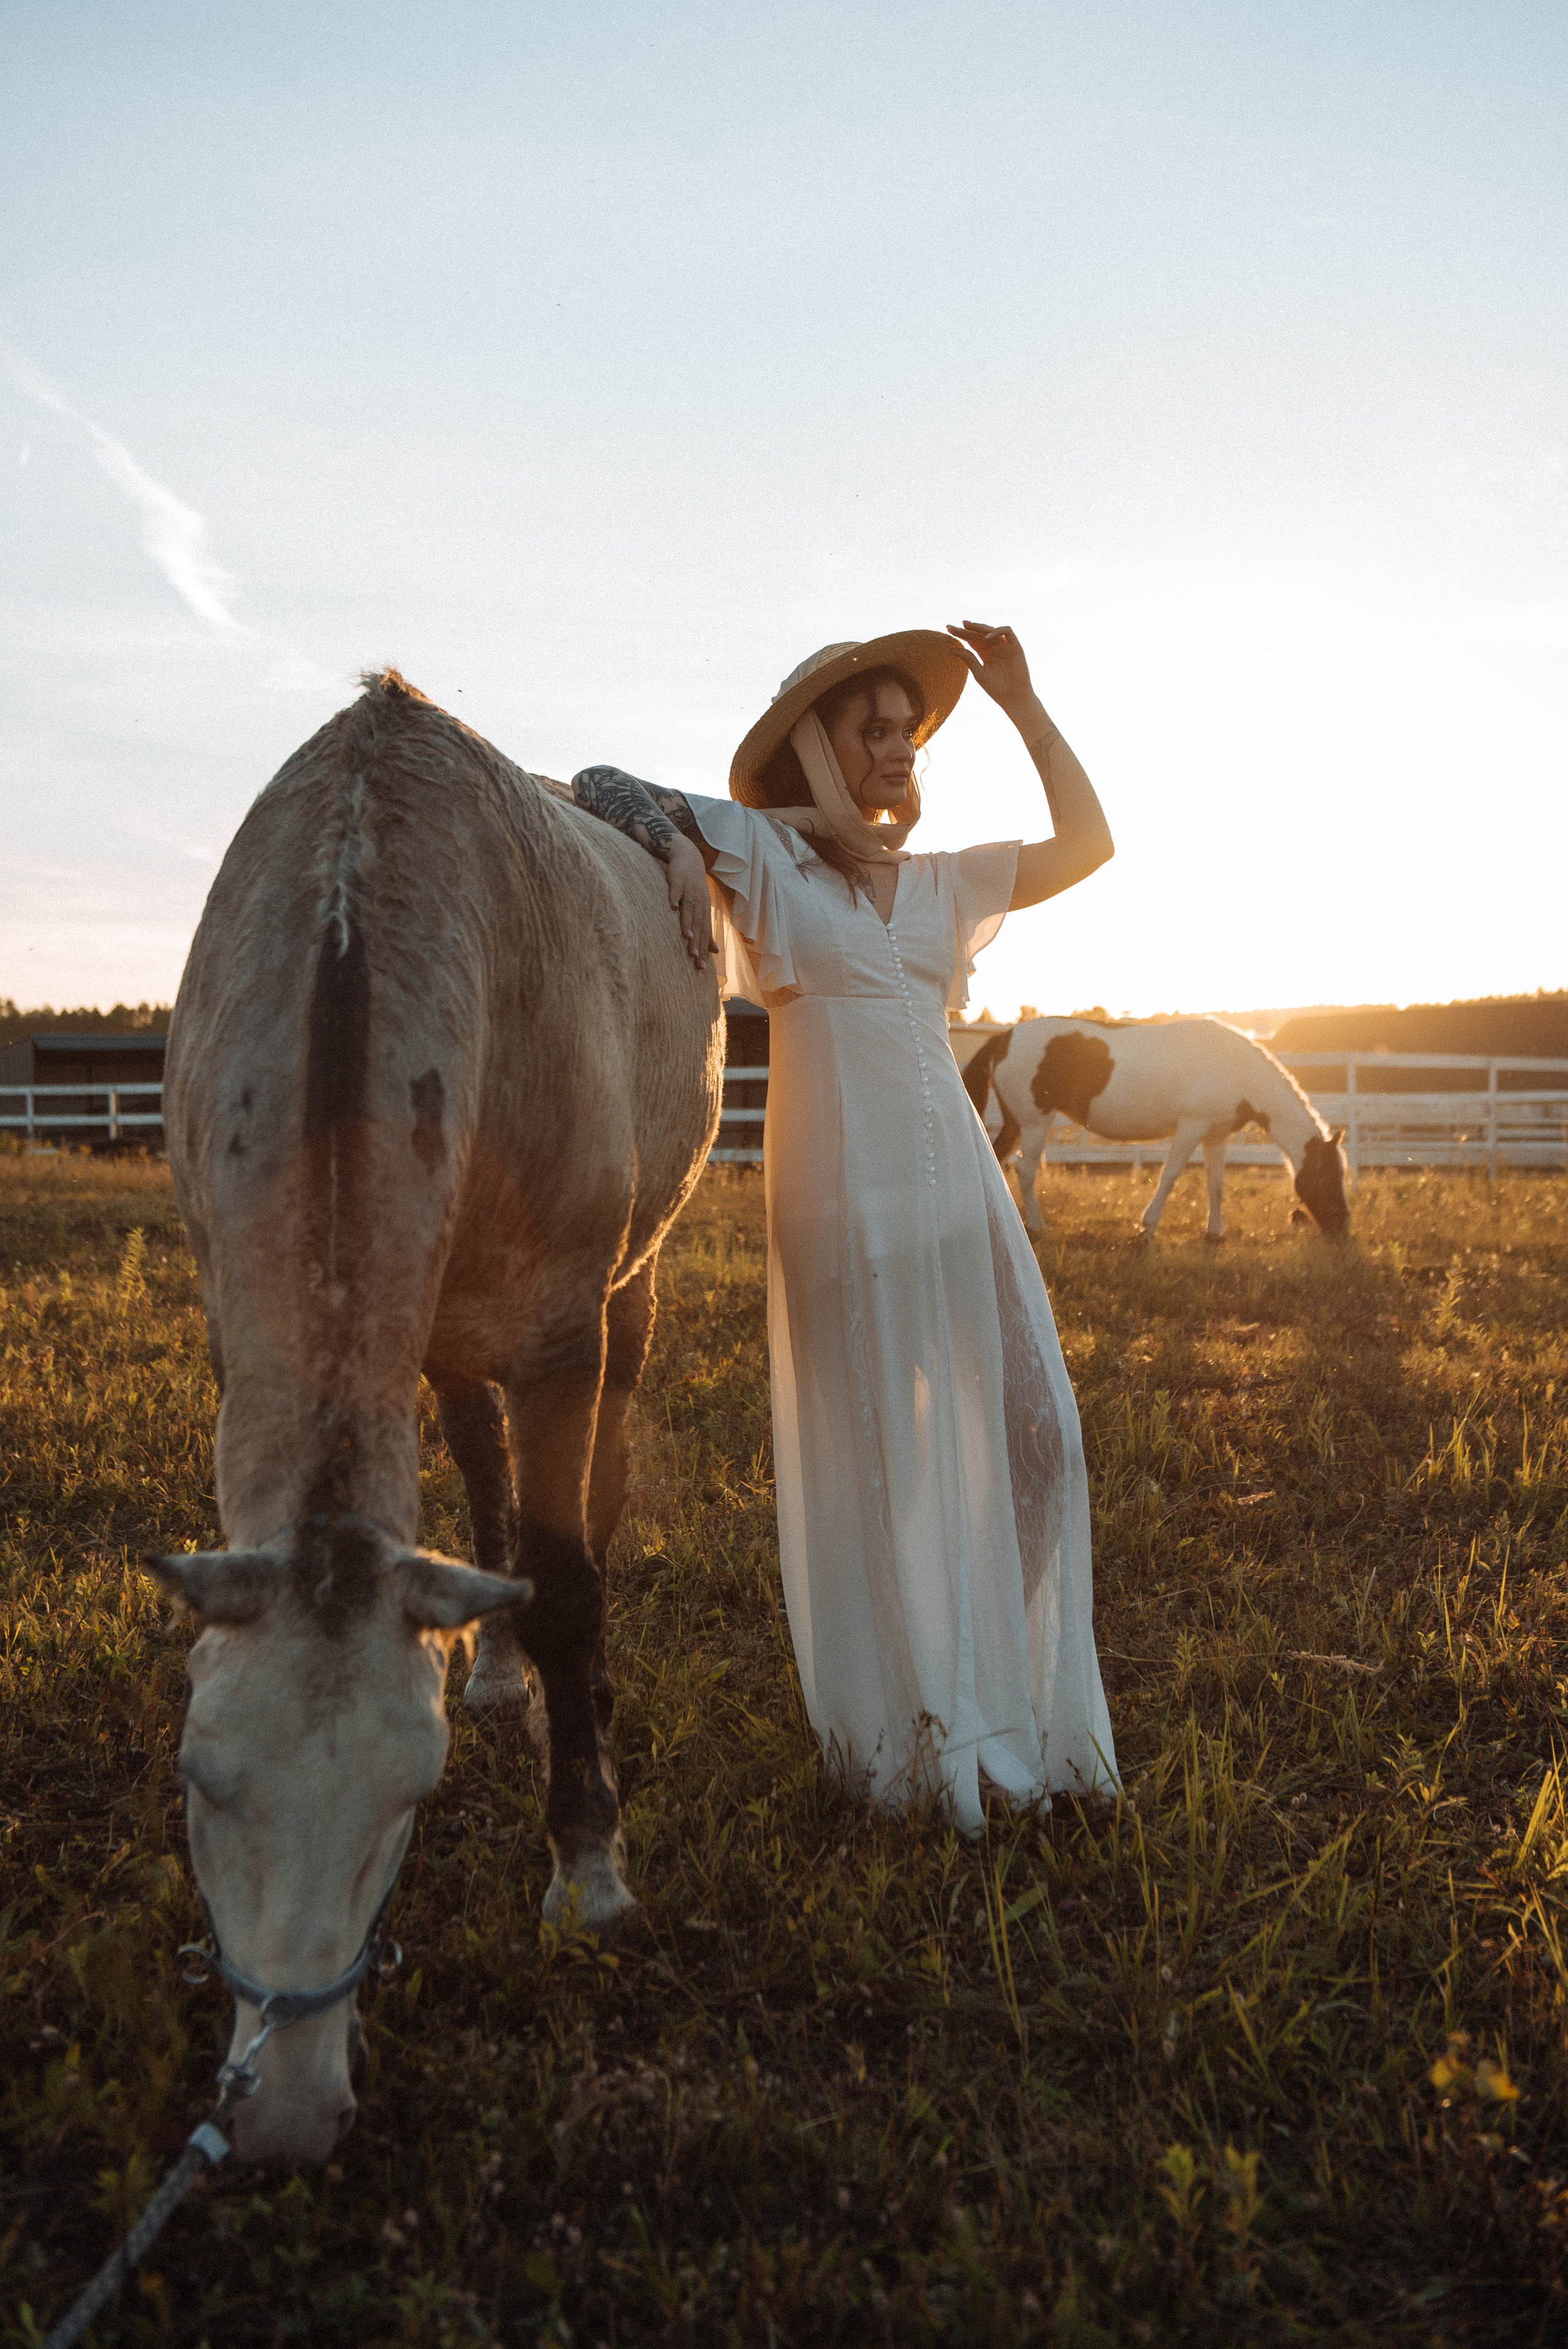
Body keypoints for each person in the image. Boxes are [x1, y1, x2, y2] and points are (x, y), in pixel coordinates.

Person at [571, 622, 1117, 1832]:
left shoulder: (939, 884)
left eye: (905, 731)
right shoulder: (761, 857)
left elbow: (1089, 843)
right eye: (870, 729)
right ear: (813, 747)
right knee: (880, 1477)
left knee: (1040, 1441)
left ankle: (989, 1692)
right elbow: (595, 783)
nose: (895, 749)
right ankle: (911, 1745)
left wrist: (1023, 707)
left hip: (960, 1197)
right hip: (840, 1201)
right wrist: (674, 838)